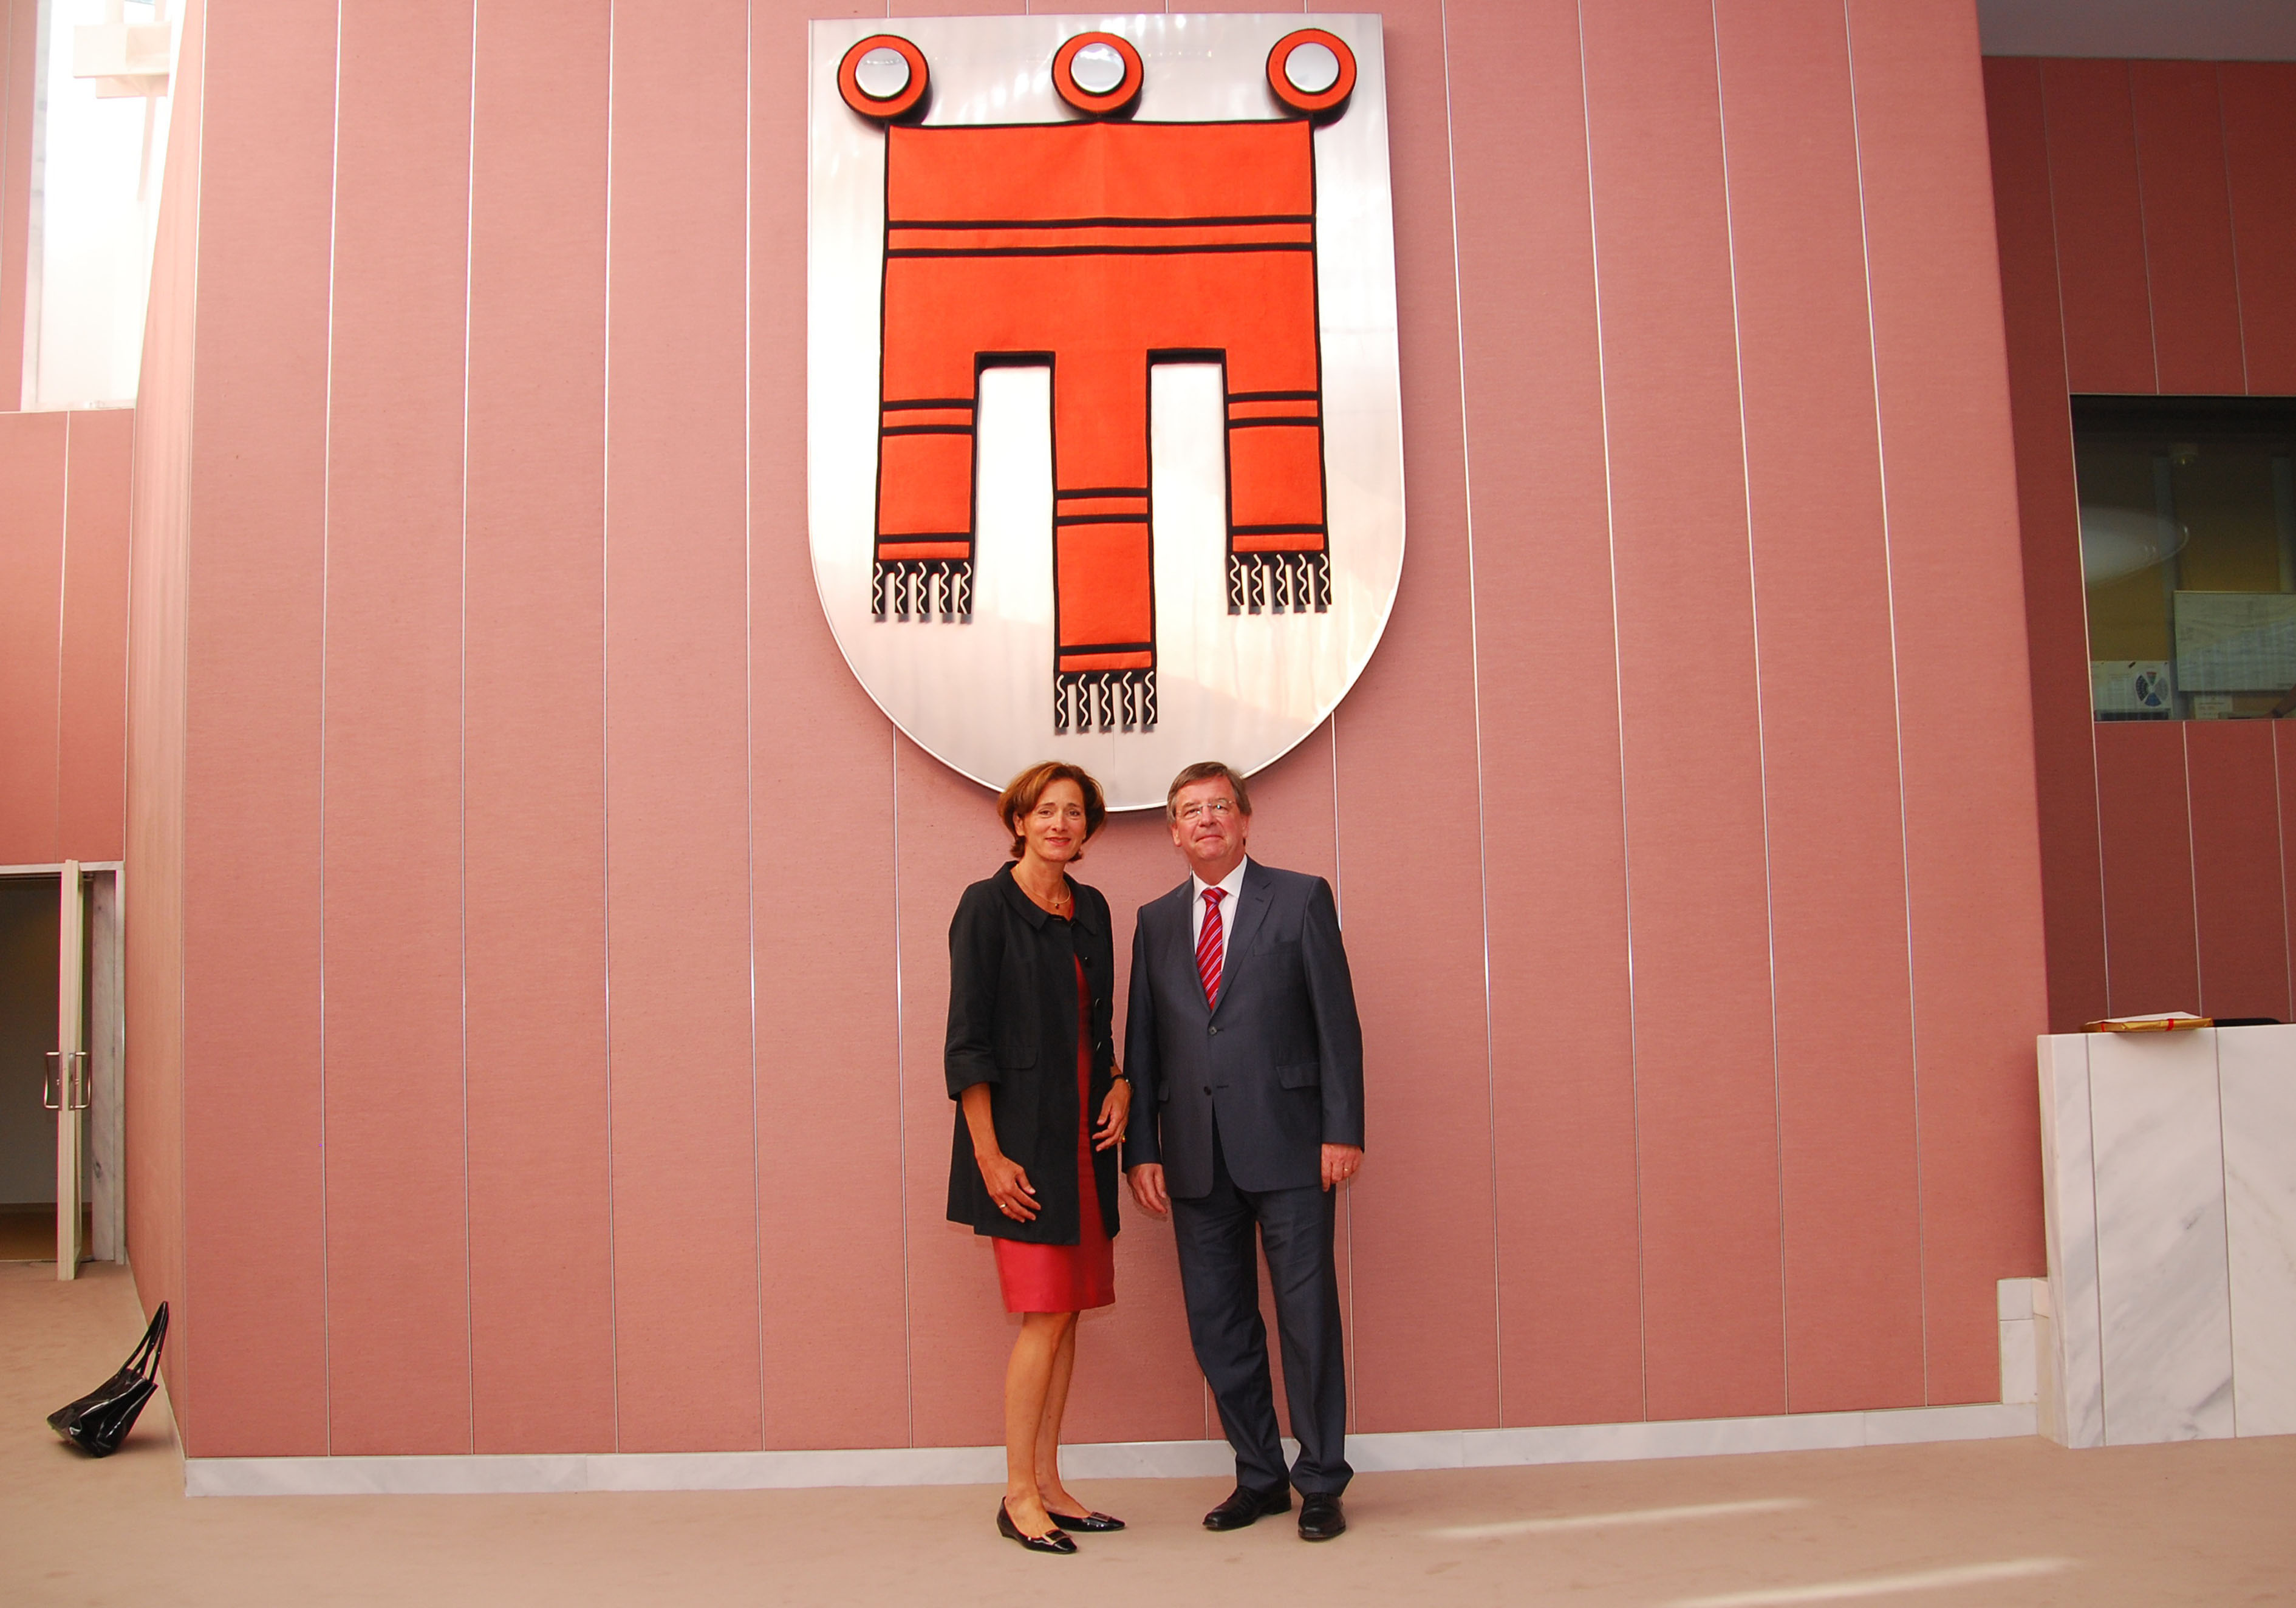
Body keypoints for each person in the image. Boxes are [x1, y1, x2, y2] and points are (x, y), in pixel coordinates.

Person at [1122, 761, 1365, 1542]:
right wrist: (1142, 1149)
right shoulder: (1155, 921)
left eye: (1220, 805)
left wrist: (1342, 1129)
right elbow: (1143, 1045)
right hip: (1195, 1157)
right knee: (1219, 1325)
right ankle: (1259, 1475)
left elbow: (1337, 1023)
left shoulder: (1300, 898)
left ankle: (1320, 1479)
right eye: (1190, 810)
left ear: (1245, 819)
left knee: (1306, 1320)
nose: (1207, 819)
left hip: (1292, 1148)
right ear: (1173, 831)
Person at [945, 761, 1133, 1556]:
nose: (1061, 823)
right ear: (1018, 821)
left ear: (1089, 828)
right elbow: (967, 1043)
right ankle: (1017, 1493)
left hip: (1084, 1143)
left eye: (1075, 812)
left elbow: (1101, 1028)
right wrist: (989, 1156)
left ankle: (1050, 1483)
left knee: (1071, 1312)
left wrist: (1121, 1082)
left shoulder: (1092, 908)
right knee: (1044, 1312)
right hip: (1020, 1149)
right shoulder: (985, 906)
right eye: (1045, 810)